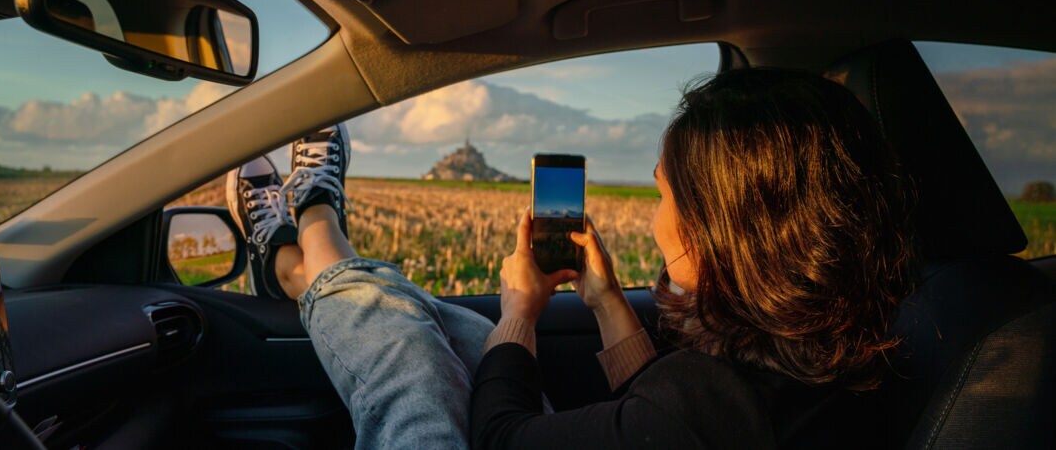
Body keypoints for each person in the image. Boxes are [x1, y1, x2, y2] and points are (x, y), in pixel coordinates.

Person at [226, 68, 915, 449]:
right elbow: (658, 417)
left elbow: (499, 439)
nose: (655, 217)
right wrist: (606, 301)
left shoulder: (705, 409)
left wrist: (522, 310)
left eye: (663, 192)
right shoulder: (832, 374)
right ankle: (306, 253)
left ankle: (304, 238)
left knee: (399, 349)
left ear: (718, 231)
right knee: (440, 327)